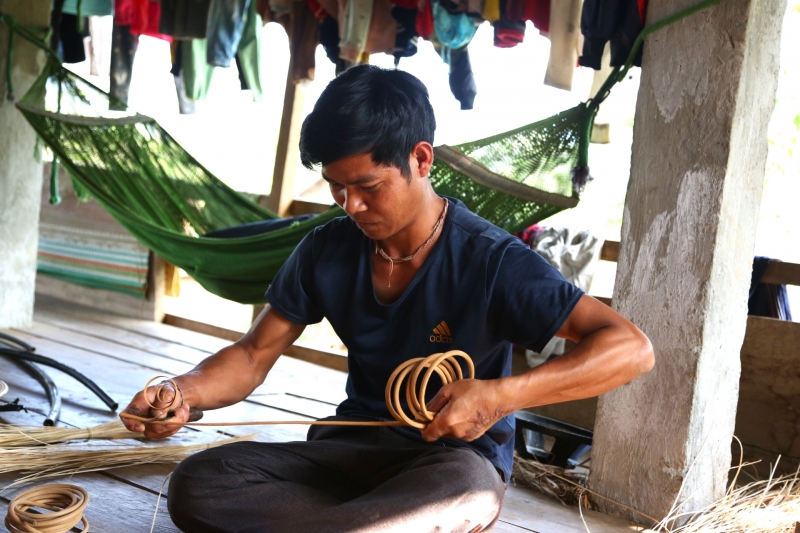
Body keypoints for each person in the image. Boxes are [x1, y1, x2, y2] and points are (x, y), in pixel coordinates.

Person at [120, 64, 654, 533]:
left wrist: (499, 396)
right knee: (200, 482)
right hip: (349, 452)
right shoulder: (325, 249)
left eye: (368, 186)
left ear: (420, 159)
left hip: (447, 463)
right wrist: (180, 392)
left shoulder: (490, 259)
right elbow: (252, 356)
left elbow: (630, 348)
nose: (349, 205)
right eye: (336, 186)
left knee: (464, 490)